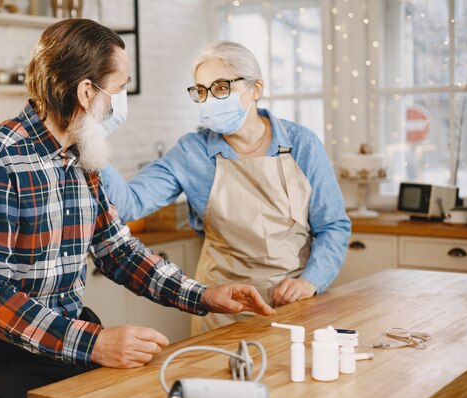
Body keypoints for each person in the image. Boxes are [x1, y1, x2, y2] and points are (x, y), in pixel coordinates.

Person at [0, 21, 274, 398]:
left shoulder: (83, 155)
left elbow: (118, 251)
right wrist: (94, 343)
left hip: (65, 342)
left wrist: (202, 295)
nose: (120, 102)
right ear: (86, 92)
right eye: (119, 89)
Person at [101, 41, 351, 333]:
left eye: (221, 88)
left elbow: (333, 226)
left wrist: (311, 281)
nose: (210, 100)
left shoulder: (302, 144)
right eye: (202, 91)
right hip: (223, 311)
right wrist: (96, 143)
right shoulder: (191, 153)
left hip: (293, 304)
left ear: (255, 89)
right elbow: (129, 204)